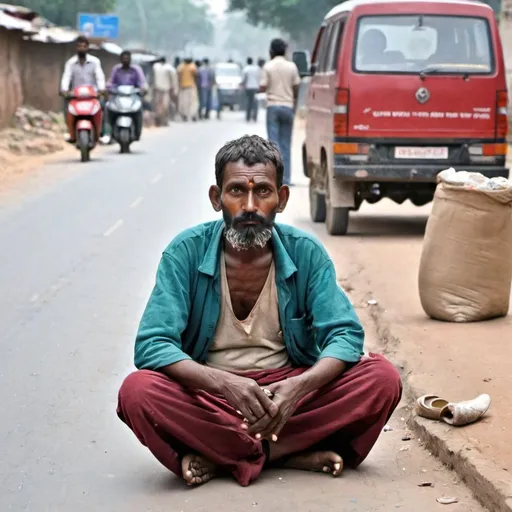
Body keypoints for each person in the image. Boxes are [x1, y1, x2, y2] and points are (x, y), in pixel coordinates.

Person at [117, 135, 402, 487]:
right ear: (215, 197)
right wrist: (224, 384)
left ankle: (225, 456)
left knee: (382, 379)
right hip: (213, 396)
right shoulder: (185, 253)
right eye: (236, 191)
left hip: (290, 397)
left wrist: (298, 387)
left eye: (263, 192)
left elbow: (344, 335)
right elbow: (152, 345)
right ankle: (287, 452)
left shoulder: (306, 252)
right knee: (137, 392)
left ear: (281, 199)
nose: (249, 205)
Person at [260, 39, 301, 186]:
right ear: (284, 51)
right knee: (285, 145)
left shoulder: (268, 66)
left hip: (273, 107)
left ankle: (273, 180)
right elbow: (296, 86)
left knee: (273, 145)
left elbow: (262, 86)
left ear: (271, 51)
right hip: (288, 106)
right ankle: (286, 180)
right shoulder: (292, 67)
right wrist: (293, 102)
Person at [60, 35, 108, 144]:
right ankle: (70, 131)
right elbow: (66, 77)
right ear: (76, 48)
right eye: (79, 46)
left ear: (87, 47)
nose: (81, 48)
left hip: (92, 95)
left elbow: (99, 76)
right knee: (66, 108)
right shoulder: (70, 63)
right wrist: (64, 90)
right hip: (76, 95)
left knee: (102, 107)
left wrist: (101, 89)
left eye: (84, 46)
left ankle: (102, 133)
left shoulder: (95, 62)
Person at [107, 51, 147, 140]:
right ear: (120, 59)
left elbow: (142, 82)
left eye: (127, 58)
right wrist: (109, 87)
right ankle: (108, 132)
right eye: (124, 58)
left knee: (139, 110)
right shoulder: (116, 69)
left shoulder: (136, 70)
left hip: (132, 97)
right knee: (108, 108)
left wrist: (142, 88)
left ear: (130, 59)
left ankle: (137, 131)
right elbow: (110, 82)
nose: (125, 60)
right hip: (118, 97)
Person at [152, 57, 178, 127]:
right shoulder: (155, 67)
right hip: (157, 89)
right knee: (157, 106)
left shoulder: (169, 68)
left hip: (165, 90)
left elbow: (173, 79)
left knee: (165, 106)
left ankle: (165, 120)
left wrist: (174, 89)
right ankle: (159, 121)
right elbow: (153, 78)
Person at [177, 58, 199, 122]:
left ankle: (185, 115)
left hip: (183, 87)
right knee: (192, 102)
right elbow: (196, 76)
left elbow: (178, 76)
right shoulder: (193, 67)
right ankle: (192, 115)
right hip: (191, 87)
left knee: (183, 102)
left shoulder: (180, 67)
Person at [242, 57, 261, 123]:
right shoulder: (256, 68)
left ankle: (248, 117)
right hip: (255, 87)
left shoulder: (246, 69)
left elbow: (244, 79)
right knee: (255, 103)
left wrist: (243, 85)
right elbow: (259, 77)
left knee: (248, 102)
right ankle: (254, 117)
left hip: (248, 88)